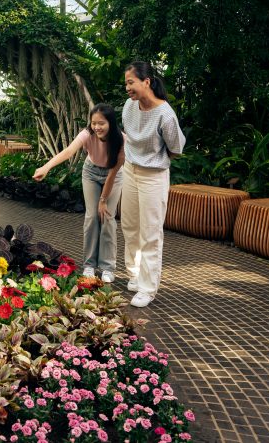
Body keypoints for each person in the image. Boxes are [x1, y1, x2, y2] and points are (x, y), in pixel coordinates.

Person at [33, 103, 124, 283]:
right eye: (93, 123)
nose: (97, 127)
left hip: (113, 175)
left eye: (101, 123)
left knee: (107, 218)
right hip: (90, 172)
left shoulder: (121, 140)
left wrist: (103, 200)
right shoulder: (87, 134)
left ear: (111, 123)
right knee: (91, 217)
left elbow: (113, 173)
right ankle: (89, 265)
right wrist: (46, 166)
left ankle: (107, 267)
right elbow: (68, 151)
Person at [121, 61, 185, 308]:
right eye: (126, 83)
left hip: (153, 176)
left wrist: (154, 160)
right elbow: (130, 137)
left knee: (150, 232)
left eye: (131, 82)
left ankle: (148, 288)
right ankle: (136, 273)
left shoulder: (165, 113)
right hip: (130, 170)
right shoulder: (129, 106)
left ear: (146, 82)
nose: (127, 88)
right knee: (129, 225)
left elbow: (176, 149)